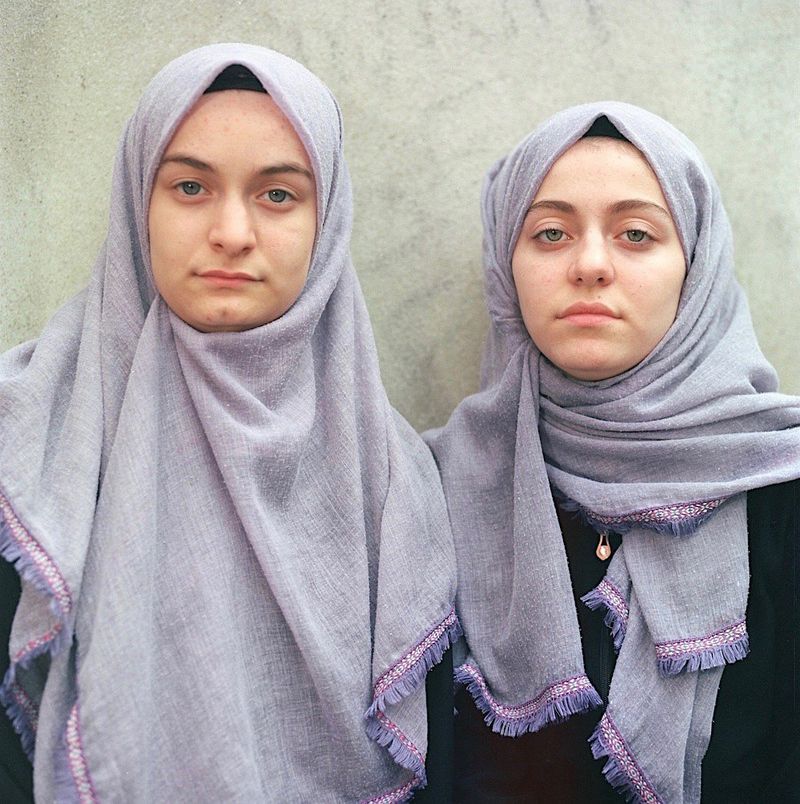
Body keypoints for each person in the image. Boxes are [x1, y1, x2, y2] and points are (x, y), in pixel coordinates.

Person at [0, 44, 459, 802]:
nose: (232, 232)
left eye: (278, 195)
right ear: (136, 201)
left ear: (328, 217)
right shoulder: (33, 448)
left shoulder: (397, 482)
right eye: (189, 186)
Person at [425, 102, 800, 802]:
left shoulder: (782, 492)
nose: (590, 265)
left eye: (635, 234)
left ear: (697, 267)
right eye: (550, 233)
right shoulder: (431, 492)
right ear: (506, 266)